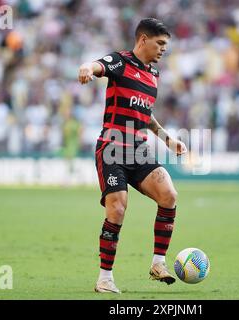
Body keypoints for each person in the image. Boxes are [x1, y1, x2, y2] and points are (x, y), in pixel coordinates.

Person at [78, 18, 187, 293]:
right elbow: (97, 65)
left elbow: (145, 114)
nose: (164, 49)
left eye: (166, 45)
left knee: (169, 195)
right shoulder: (120, 62)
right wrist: (86, 68)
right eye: (160, 43)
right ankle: (105, 278)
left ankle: (158, 263)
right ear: (143, 40)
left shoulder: (154, 75)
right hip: (112, 148)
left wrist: (167, 139)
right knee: (117, 207)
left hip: (139, 150)